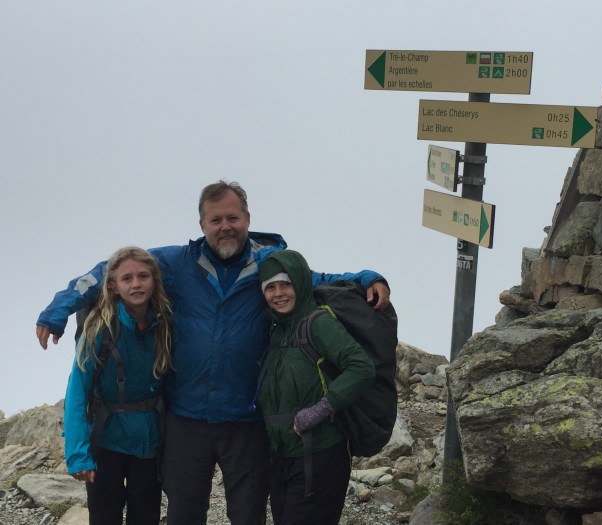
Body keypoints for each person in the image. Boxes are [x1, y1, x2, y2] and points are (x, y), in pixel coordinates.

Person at [36, 180, 390, 525]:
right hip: (186, 419)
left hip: (246, 421)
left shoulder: (268, 264)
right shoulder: (176, 262)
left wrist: (366, 278)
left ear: (247, 219)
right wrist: (58, 310)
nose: (225, 227)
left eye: (233, 218)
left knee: (247, 515)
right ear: (201, 224)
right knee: (184, 514)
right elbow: (110, 270)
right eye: (216, 220)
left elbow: (315, 279)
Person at [257, 250, 375, 525]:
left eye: (286, 284)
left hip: (320, 455)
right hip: (283, 458)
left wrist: (321, 409)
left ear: (300, 284)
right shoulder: (277, 330)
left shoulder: (318, 323)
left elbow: (361, 367)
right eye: (270, 287)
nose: (278, 294)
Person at [64, 246, 172, 525]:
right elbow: (77, 391)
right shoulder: (98, 329)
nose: (136, 284)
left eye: (143, 276)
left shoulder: (165, 325)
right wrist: (78, 455)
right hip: (105, 441)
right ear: (113, 286)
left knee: (146, 516)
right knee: (104, 516)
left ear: (154, 280)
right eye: (127, 278)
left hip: (148, 441)